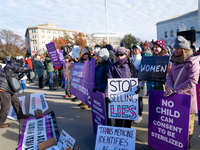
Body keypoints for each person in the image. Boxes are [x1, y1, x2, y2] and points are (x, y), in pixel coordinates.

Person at [164, 36, 199, 149]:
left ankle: (186, 144)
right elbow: (170, 76)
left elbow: (192, 81)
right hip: (175, 97)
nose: (175, 50)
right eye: (175, 48)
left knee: (188, 126)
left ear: (185, 50)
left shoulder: (193, 62)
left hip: (187, 99)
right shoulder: (174, 60)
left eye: (178, 49)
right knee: (176, 124)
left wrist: (175, 90)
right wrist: (169, 87)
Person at [104, 47, 140, 128]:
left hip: (129, 97)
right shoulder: (112, 66)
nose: (119, 56)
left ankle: (127, 138)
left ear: (126, 55)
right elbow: (109, 82)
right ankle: (118, 138)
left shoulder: (131, 65)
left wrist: (138, 87)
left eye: (121, 54)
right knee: (118, 121)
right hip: (117, 98)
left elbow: (135, 78)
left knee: (128, 121)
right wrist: (107, 95)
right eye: (117, 55)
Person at [0, 57, 30, 128]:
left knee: (15, 100)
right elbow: (25, 69)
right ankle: (0, 123)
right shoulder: (12, 65)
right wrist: (27, 66)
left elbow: (12, 78)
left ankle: (20, 115)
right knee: (6, 106)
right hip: (3, 88)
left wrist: (20, 76)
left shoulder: (10, 66)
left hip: (7, 88)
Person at [92, 48, 111, 125]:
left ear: (104, 57)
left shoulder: (107, 67)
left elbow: (109, 82)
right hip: (98, 92)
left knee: (106, 114)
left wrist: (98, 88)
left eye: (99, 56)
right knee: (100, 113)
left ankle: (108, 129)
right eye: (97, 56)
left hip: (104, 93)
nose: (97, 58)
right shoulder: (98, 66)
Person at [130, 45, 147, 123]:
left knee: (139, 98)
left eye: (136, 49)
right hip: (131, 81)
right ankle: (133, 113)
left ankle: (139, 115)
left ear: (140, 50)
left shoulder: (141, 59)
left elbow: (143, 70)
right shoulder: (130, 59)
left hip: (139, 81)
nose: (134, 51)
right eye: (133, 49)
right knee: (133, 98)